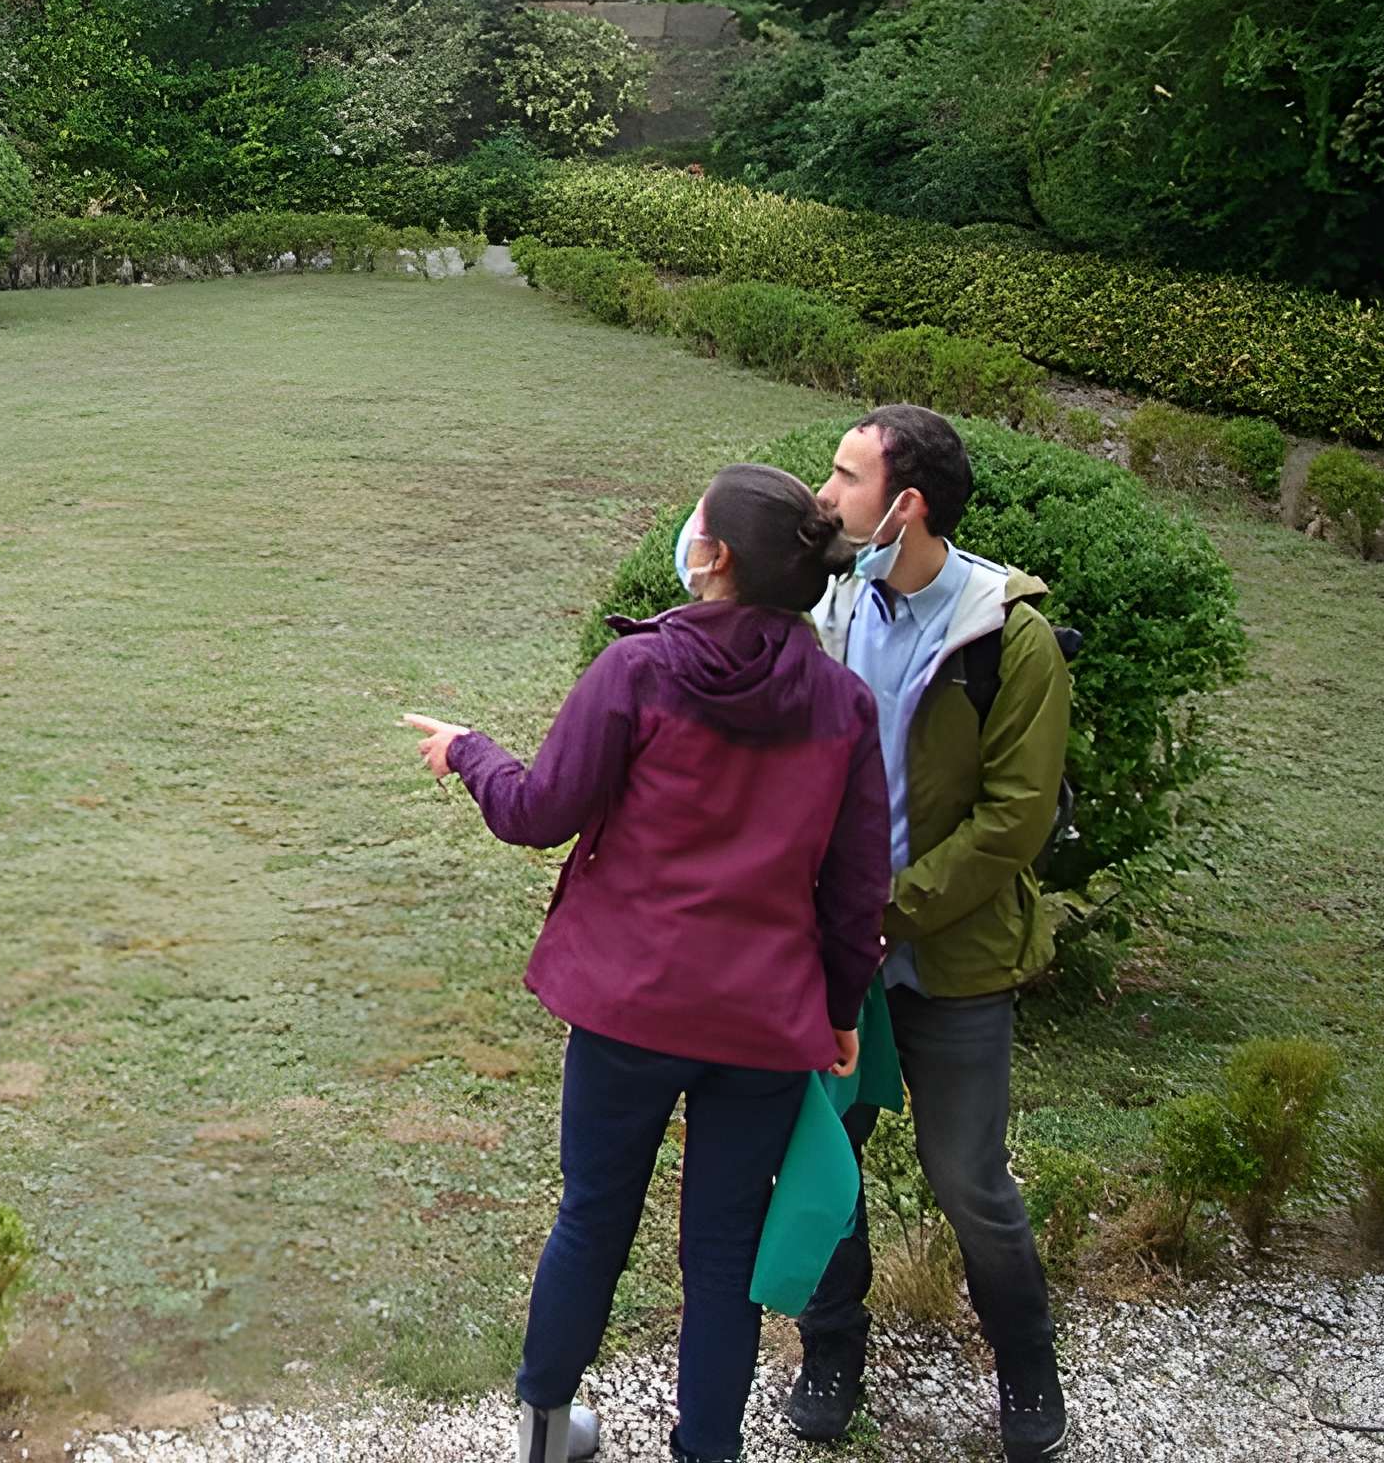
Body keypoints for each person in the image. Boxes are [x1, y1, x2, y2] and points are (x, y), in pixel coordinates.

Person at [406, 464, 889, 1463]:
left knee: (591, 1216)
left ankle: (544, 1430)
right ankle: (704, 1450)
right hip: (759, 1024)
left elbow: (538, 811)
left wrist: (467, 752)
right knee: (721, 1257)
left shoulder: (639, 673)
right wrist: (838, 1009)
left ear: (707, 561)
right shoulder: (841, 705)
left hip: (627, 1008)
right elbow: (853, 892)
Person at [777, 405, 1073, 1462]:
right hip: (831, 955)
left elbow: (1012, 821)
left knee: (968, 1182)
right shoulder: (833, 604)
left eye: (843, 475)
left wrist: (882, 909)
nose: (824, 493)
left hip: (946, 955)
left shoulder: (1008, 638)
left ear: (902, 506)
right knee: (822, 1157)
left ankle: (1028, 1374)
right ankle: (829, 1350)